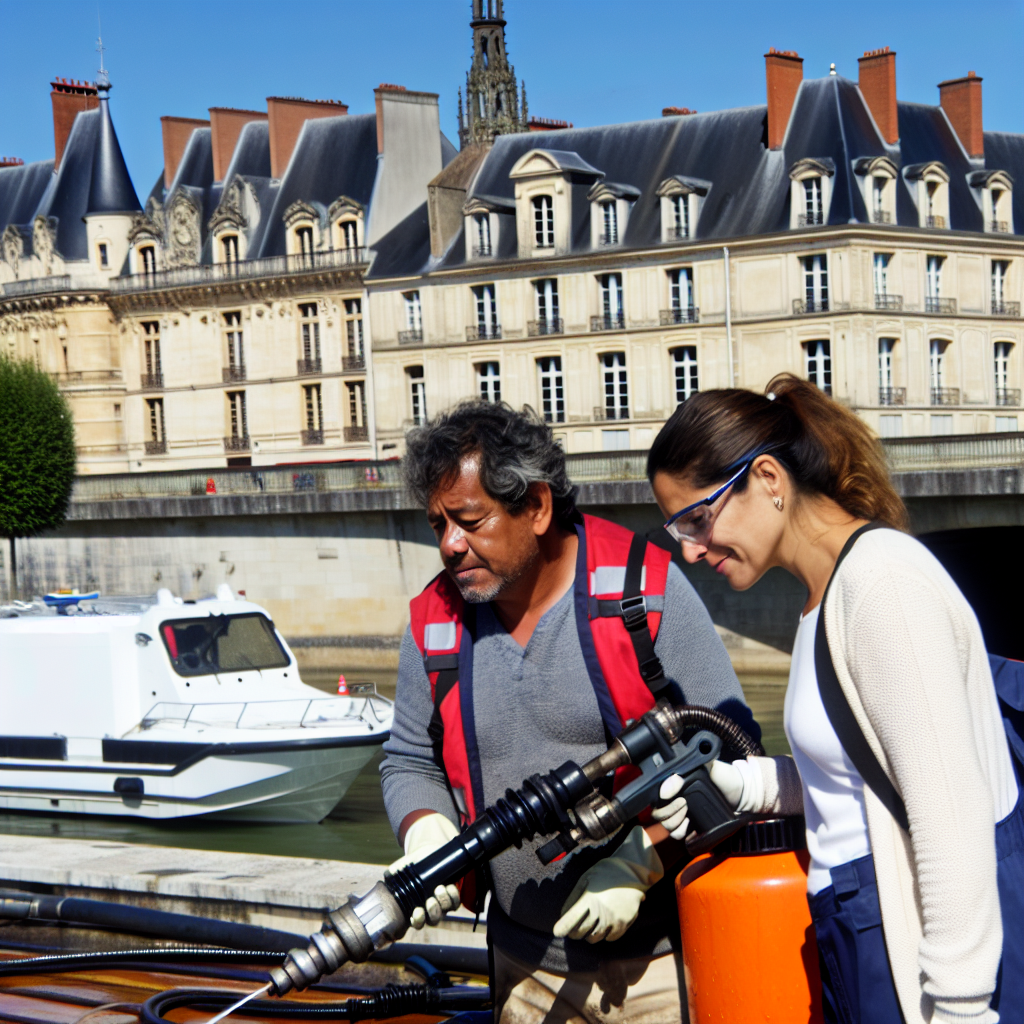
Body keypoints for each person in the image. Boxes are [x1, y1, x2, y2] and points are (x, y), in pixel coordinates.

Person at [646, 374, 1023, 1024]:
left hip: (907, 921)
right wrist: (751, 787)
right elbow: (862, 779)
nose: (689, 550)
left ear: (767, 479)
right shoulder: (826, 598)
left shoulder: (881, 586)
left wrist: (961, 1007)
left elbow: (949, 808)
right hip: (863, 921)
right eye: (676, 528)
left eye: (697, 518)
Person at [380, 400, 759, 1024]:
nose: (449, 545)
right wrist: (426, 829)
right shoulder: (433, 625)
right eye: (437, 525)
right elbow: (409, 759)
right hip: (522, 968)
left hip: (660, 967)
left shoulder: (645, 591)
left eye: (469, 520)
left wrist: (643, 859)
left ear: (536, 506)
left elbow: (735, 748)